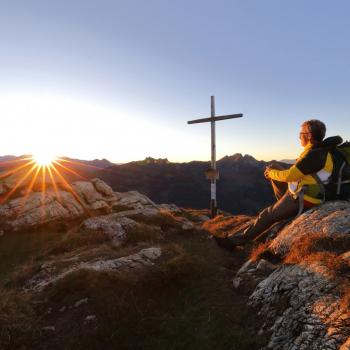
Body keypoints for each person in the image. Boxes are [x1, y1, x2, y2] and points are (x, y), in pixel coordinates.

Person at [215, 119, 343, 249]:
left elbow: (289, 175)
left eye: (301, 133)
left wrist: (271, 174)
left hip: (303, 197)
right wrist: (272, 171)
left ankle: (232, 242)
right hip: (302, 188)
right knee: (274, 166)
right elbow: (298, 173)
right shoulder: (319, 150)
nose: (299, 136)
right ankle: (281, 206)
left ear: (309, 135)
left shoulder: (314, 154)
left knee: (266, 215)